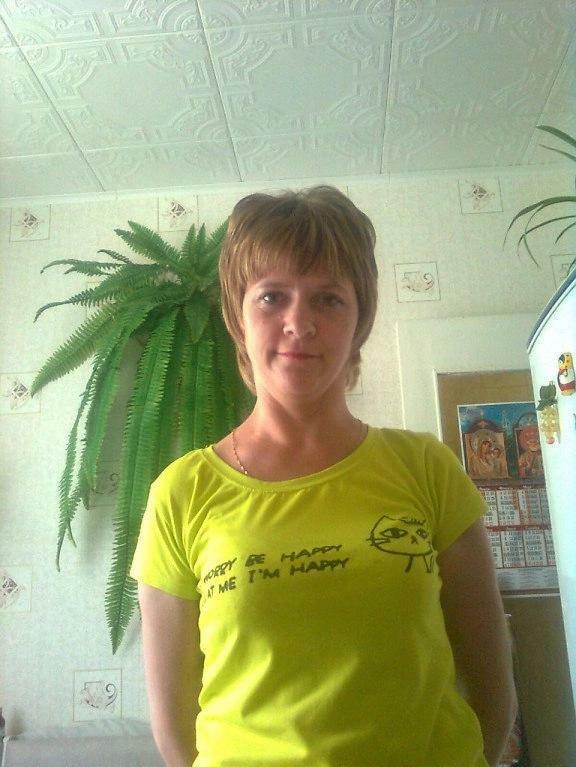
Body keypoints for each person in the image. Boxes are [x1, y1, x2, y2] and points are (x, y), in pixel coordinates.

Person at [130, 186, 517, 767]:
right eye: (271, 297)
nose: (299, 323)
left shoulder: (425, 468)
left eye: (329, 299)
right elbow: (175, 731)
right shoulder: (181, 494)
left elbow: (490, 676)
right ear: (238, 315)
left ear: (359, 321)